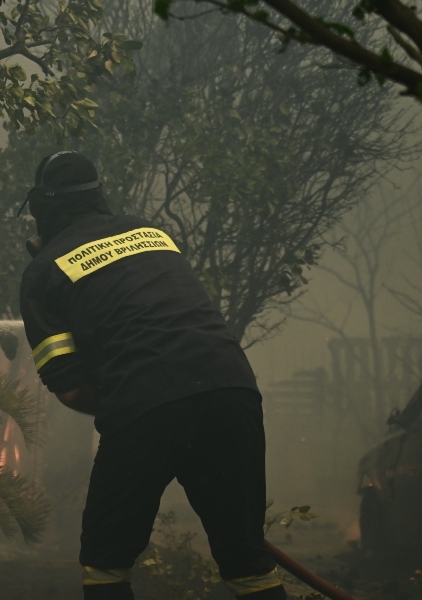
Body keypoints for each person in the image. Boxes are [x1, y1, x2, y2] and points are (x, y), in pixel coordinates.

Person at [17, 151, 287, 600]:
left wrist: (141, 408)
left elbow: (69, 387)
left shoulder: (43, 272)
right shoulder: (151, 234)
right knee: (247, 563)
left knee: (105, 562)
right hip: (232, 390)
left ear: (43, 207)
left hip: (144, 405)